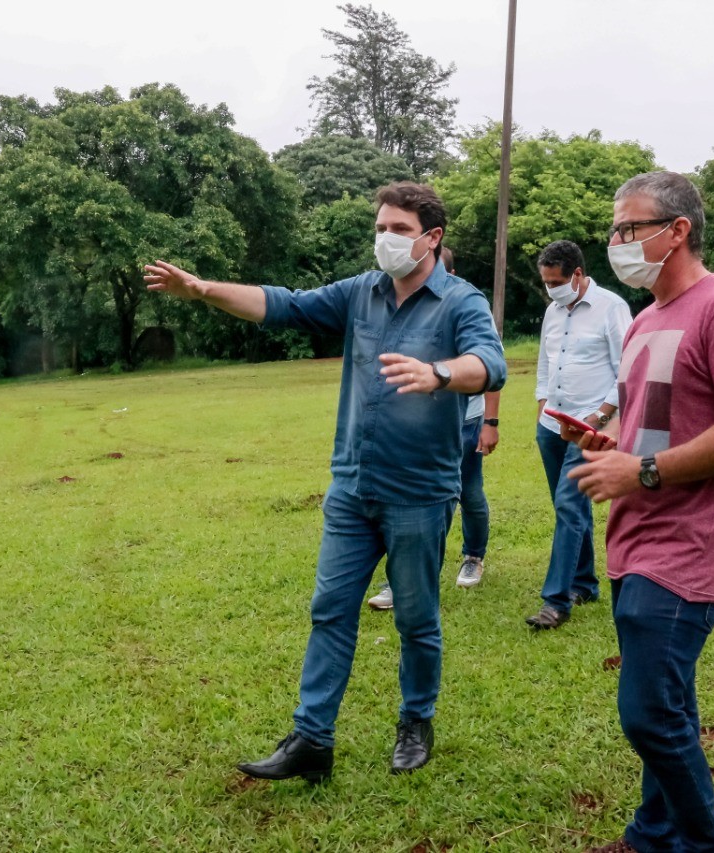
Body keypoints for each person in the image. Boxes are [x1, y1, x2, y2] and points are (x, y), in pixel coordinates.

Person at [144, 182, 506, 782]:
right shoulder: (359, 293)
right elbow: (280, 303)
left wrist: (438, 372)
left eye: (399, 229)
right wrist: (203, 289)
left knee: (416, 618)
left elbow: (489, 364)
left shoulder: (460, 302)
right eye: (382, 227)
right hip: (352, 488)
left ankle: (416, 720)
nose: (386, 238)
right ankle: (312, 739)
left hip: (419, 493)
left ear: (432, 238)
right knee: (330, 611)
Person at [568, 171, 714, 853]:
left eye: (630, 228)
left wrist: (644, 469)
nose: (617, 241)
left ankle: (705, 841)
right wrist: (614, 449)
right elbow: (659, 426)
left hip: (689, 547)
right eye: (613, 229)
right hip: (635, 536)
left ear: (678, 230)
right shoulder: (643, 321)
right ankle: (653, 832)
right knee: (671, 700)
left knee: (649, 713)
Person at [367, 247, 502, 610]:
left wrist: (490, 422)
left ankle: (473, 556)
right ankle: (402, 580)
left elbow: (492, 368)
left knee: (468, 492)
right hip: (416, 424)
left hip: (466, 419)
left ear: (450, 273)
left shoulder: (467, 304)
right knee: (411, 498)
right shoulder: (400, 305)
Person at [527, 240, 632, 630]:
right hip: (552, 424)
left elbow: (628, 368)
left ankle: (556, 601)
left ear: (577, 274)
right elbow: (545, 362)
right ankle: (585, 583)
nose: (551, 289)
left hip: (590, 425)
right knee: (566, 505)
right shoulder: (552, 312)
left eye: (556, 281)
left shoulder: (612, 307)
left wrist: (603, 413)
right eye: (546, 282)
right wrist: (541, 405)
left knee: (570, 506)